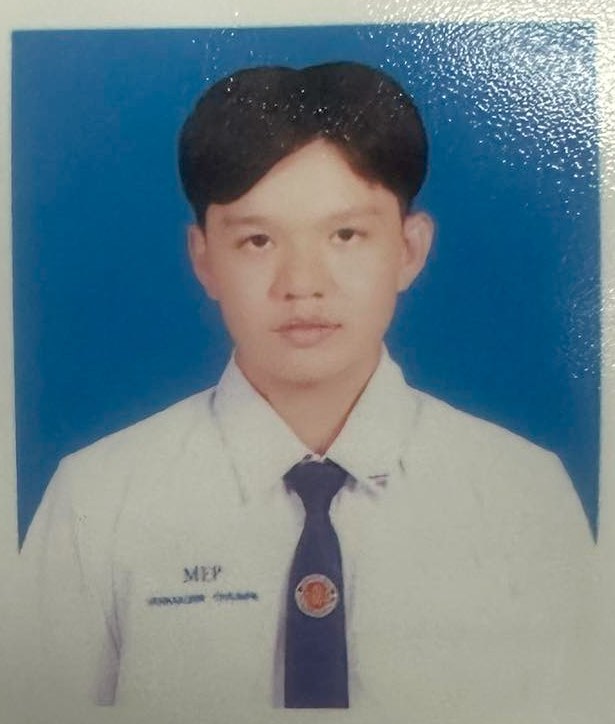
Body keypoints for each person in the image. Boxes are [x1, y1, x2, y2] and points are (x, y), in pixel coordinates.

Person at [19, 62, 594, 723]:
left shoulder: (524, 496)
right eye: (258, 240)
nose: (302, 283)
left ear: (409, 250)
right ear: (204, 258)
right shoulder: (98, 500)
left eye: (345, 235)